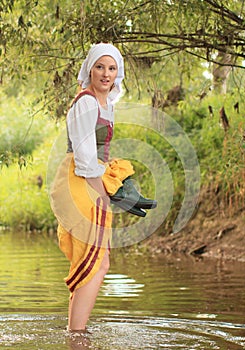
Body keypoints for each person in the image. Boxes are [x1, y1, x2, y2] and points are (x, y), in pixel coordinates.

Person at [49, 43, 156, 333]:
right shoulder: (85, 102)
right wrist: (103, 195)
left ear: (117, 73)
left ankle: (76, 332)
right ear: (90, 70)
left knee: (97, 261)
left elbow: (98, 156)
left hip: (90, 180)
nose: (105, 74)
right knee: (96, 262)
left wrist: (117, 185)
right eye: (100, 67)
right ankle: (77, 335)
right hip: (80, 182)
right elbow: (84, 158)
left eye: (111, 68)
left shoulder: (106, 105)